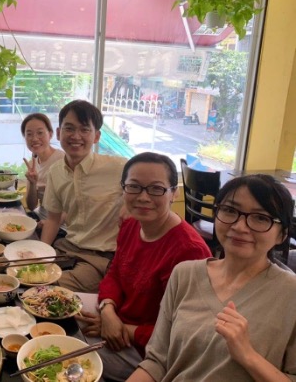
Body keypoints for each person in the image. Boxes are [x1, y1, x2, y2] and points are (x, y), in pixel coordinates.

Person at [127, 174, 296, 382]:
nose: (240, 226)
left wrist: (248, 356)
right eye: (230, 211)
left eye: (261, 218)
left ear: (282, 235)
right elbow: (157, 362)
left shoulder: (290, 294)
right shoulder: (184, 274)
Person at [75, 152, 211, 381]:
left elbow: (184, 334)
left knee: (66, 349)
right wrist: (108, 310)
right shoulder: (131, 224)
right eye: (134, 187)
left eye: (156, 189)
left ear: (173, 193)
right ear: (123, 189)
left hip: (149, 352)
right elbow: (115, 272)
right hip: (117, 317)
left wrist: (123, 329)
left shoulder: (189, 252)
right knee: (57, 309)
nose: (143, 197)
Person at [41, 99, 127, 293]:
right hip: (67, 247)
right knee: (25, 274)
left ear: (96, 136)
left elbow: (153, 183)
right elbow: (53, 219)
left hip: (100, 258)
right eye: (69, 128)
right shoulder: (55, 172)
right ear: (58, 132)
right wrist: (41, 255)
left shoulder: (119, 168)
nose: (76, 136)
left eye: (84, 130)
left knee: (49, 289)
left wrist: (128, 205)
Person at [21, 113, 65, 222]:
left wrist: (47, 223)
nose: (34, 139)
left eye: (40, 133)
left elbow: (72, 206)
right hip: (38, 217)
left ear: (50, 134)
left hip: (59, 225)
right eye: (29, 134)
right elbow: (32, 206)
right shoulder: (33, 163)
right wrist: (32, 183)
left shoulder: (62, 160)